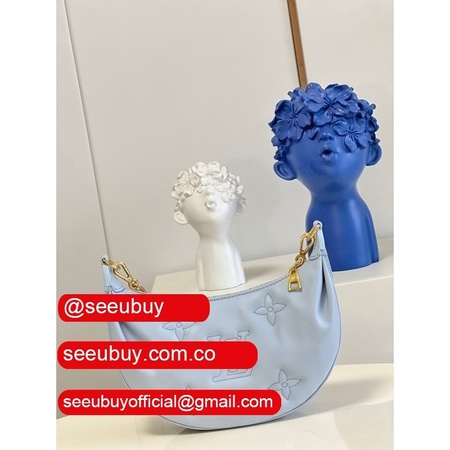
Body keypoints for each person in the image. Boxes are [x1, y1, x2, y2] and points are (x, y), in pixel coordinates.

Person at [269, 83, 382, 271]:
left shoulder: (360, 218)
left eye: (341, 129)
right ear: (285, 169)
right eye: (309, 134)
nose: (326, 136)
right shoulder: (316, 225)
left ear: (372, 153)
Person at [171, 161, 246, 290]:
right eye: (198, 191)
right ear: (181, 216)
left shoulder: (230, 253)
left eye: (220, 189)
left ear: (239, 206)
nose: (209, 193)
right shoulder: (205, 254)